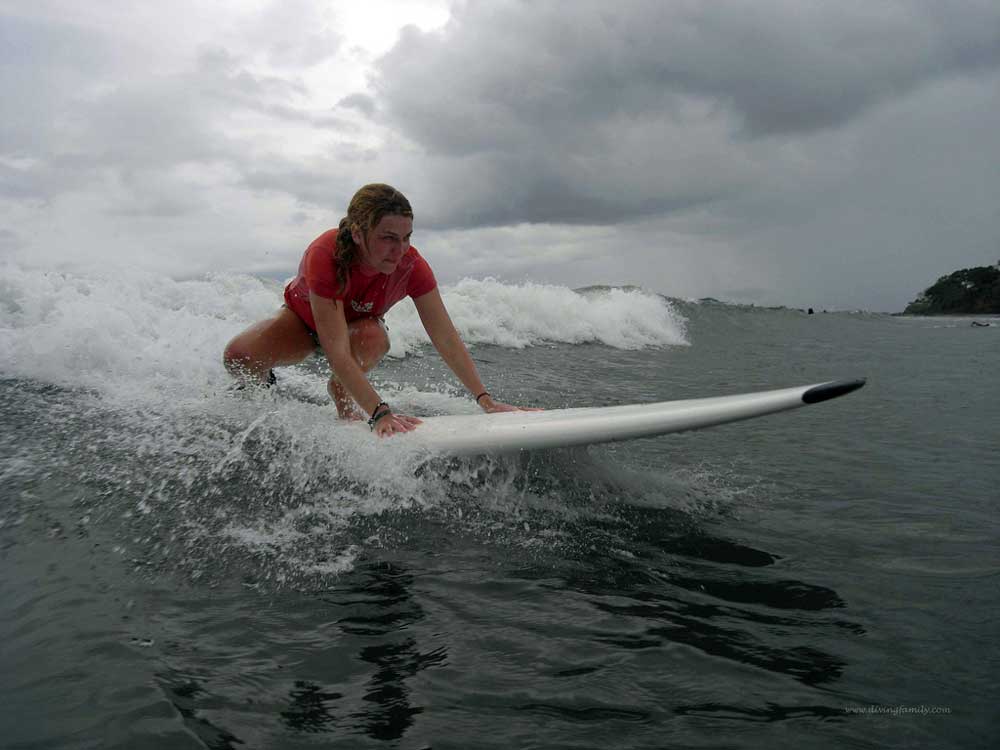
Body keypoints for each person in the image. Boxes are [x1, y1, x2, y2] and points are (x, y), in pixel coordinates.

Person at [223, 183, 533, 437]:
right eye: (387, 238)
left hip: (360, 332)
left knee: (374, 336)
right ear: (358, 234)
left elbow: (445, 336)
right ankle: (267, 386)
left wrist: (485, 400)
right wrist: (381, 412)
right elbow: (336, 350)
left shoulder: (412, 266)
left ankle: (343, 397)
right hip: (303, 324)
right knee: (237, 355)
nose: (399, 251)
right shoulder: (325, 253)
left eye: (406, 238)